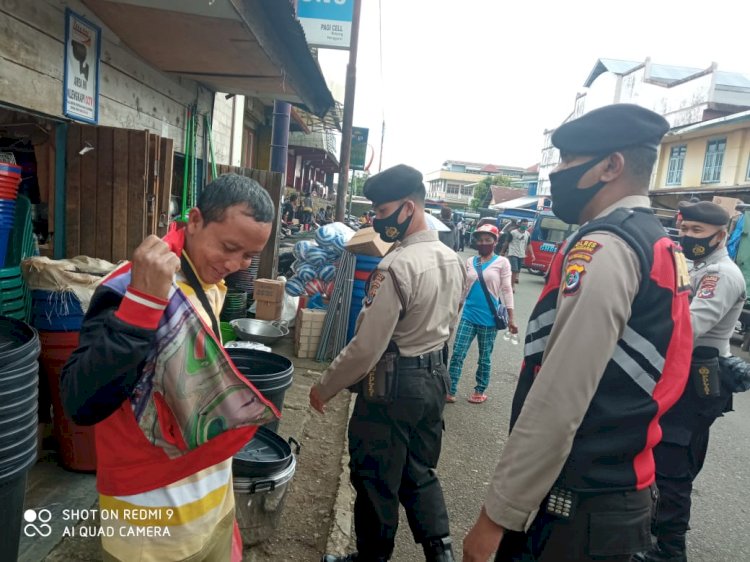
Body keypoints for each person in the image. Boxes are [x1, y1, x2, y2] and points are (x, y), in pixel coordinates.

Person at [463, 104, 693, 562]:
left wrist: (496, 517)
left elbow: (559, 396)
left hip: (579, 506)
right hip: (618, 490)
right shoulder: (657, 241)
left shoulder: (605, 246)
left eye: (569, 160)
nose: (559, 173)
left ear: (611, 165)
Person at [60, 174, 279, 561]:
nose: (234, 265)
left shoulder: (206, 279)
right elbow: (81, 401)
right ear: (194, 220)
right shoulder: (130, 287)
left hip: (213, 498)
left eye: (248, 256)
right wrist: (142, 304)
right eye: (229, 247)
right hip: (150, 518)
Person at [310, 164, 465, 562]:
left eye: (381, 212)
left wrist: (324, 386)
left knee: (375, 477)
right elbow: (450, 325)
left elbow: (367, 348)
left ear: (408, 207)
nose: (376, 221)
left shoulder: (396, 266)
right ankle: (441, 552)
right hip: (433, 379)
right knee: (419, 471)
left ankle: (371, 558)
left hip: (392, 390)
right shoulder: (454, 261)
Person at [633, 201, 746, 562]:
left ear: (722, 235)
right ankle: (655, 534)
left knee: (673, 467)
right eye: (685, 230)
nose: (688, 237)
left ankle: (669, 549)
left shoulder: (720, 275)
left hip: (696, 381)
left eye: (697, 232)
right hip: (681, 376)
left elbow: (689, 326)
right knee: (660, 457)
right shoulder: (699, 268)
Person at [447, 224, 517, 404]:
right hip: (468, 316)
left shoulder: (502, 262)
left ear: (495, 241)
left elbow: (507, 290)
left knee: (484, 357)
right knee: (457, 354)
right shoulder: (471, 261)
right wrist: (454, 313)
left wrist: (511, 318)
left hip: (489, 319)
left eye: (488, 240)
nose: (483, 243)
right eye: (480, 240)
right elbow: (464, 289)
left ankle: (480, 390)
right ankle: (450, 389)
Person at [502, 219, 535, 285]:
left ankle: (509, 281)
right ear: (520, 224)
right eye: (523, 224)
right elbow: (507, 242)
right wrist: (502, 251)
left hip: (521, 254)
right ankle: (512, 286)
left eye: (526, 225)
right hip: (512, 253)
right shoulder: (513, 232)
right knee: (514, 270)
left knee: (517, 270)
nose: (524, 226)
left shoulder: (527, 234)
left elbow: (529, 244)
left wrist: (532, 254)